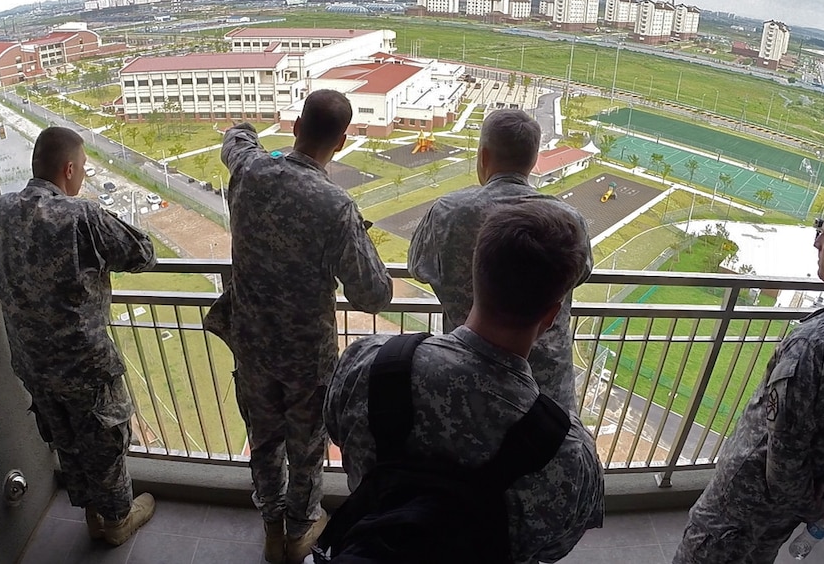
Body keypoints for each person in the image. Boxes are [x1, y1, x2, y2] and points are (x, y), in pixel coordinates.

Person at [326, 202, 605, 564]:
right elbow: (553, 548)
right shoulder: (568, 454)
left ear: (475, 279)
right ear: (551, 315)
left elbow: (336, 430)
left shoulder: (367, 363)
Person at [673, 198, 824, 564]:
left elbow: (782, 452)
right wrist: (818, 494)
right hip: (794, 505)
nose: (816, 243)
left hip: (744, 500)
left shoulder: (814, 342)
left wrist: (810, 507)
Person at [214, 89, 393, 564]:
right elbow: (374, 294)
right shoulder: (334, 206)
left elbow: (235, 140)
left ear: (295, 126)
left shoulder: (249, 169)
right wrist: (356, 235)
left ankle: (271, 526)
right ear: (342, 141)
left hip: (250, 346)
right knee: (306, 448)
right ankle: (298, 532)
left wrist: (246, 129)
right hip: (306, 360)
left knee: (264, 440)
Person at [0, 126, 157, 546]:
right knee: (106, 443)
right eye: (83, 169)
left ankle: (94, 514)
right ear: (69, 168)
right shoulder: (81, 217)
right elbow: (143, 253)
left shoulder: (1, 211)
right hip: (84, 366)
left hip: (33, 365)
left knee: (66, 440)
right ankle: (116, 521)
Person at [408, 109, 593, 410]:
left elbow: (418, 265)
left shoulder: (448, 213)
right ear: (533, 162)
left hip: (466, 379)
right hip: (544, 393)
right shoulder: (569, 220)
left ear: (483, 155)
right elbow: (579, 274)